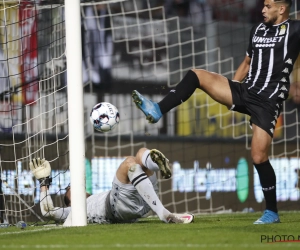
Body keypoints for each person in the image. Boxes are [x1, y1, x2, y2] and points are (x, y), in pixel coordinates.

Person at [132, 0, 298, 224]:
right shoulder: (257, 29)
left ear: (282, 8)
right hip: (245, 91)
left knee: (258, 156)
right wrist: (232, 91)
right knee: (196, 75)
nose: (262, 9)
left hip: (267, 102)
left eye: (268, 6)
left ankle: (272, 212)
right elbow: (248, 62)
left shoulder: (295, 30)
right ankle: (158, 109)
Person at [30, 148, 194, 225]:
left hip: (145, 202)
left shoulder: (93, 196)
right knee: (129, 163)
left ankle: (158, 166)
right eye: (70, 190)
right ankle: (163, 213)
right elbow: (47, 211)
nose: (76, 187)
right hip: (116, 208)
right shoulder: (72, 212)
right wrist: (44, 182)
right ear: (69, 202)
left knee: (141, 154)